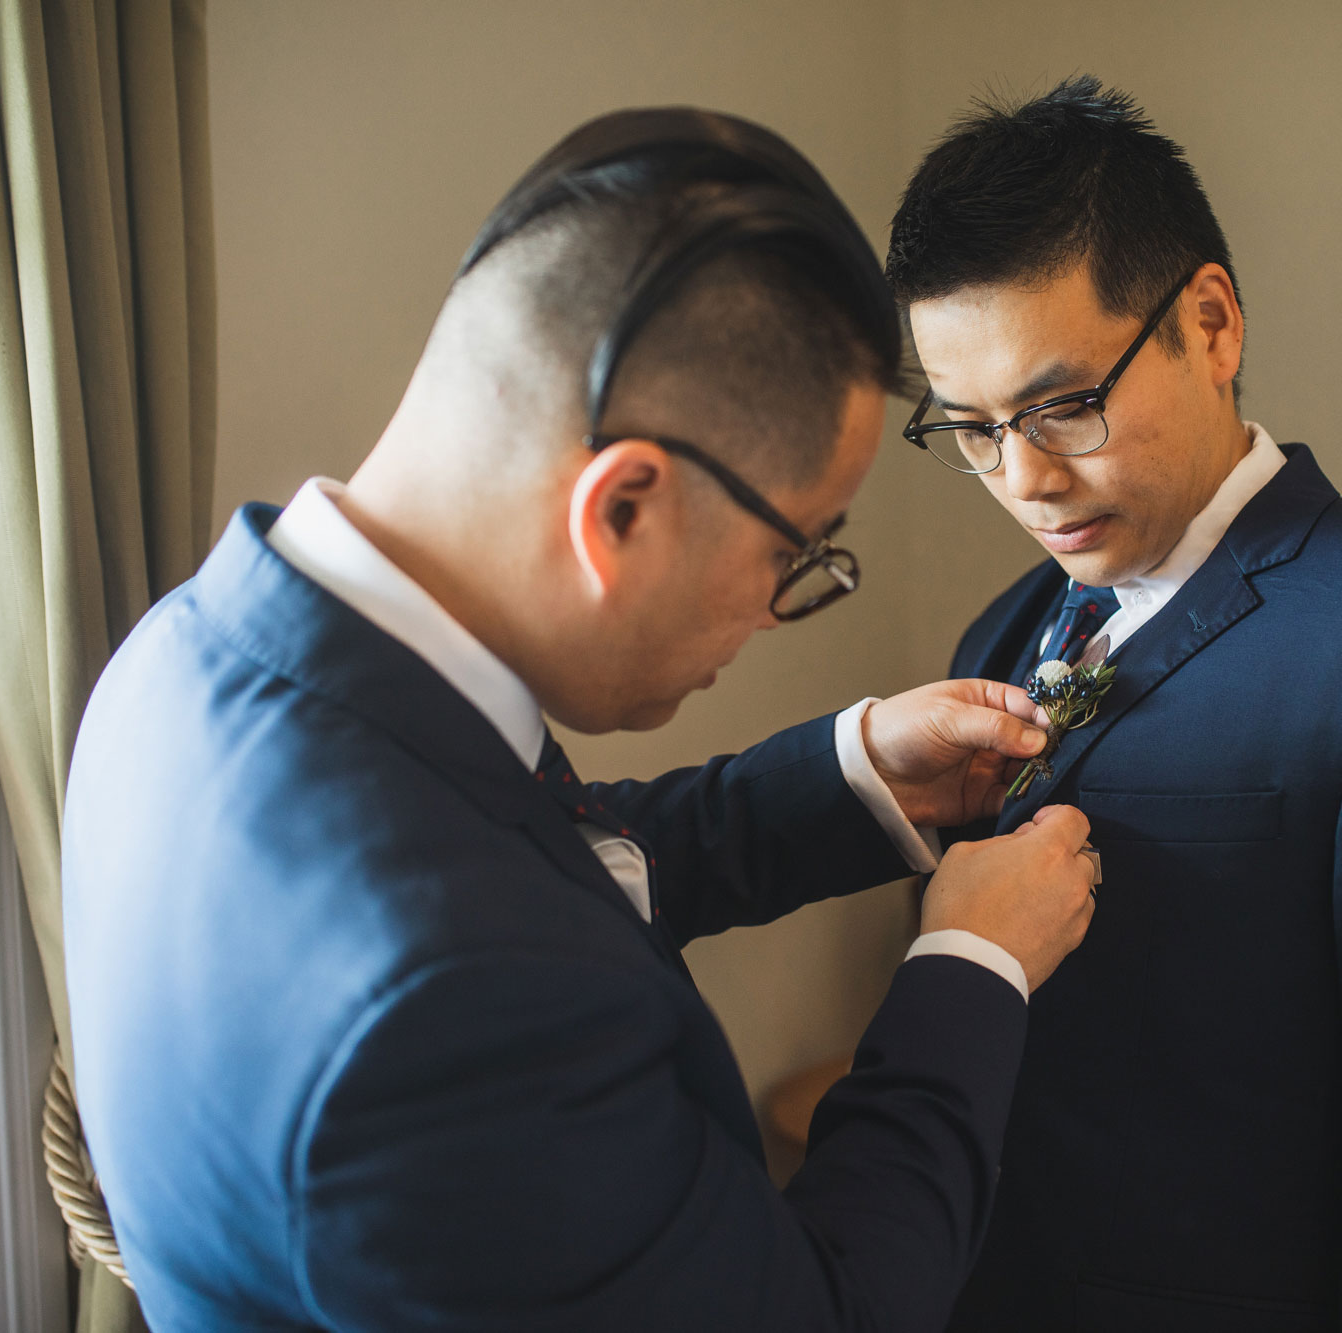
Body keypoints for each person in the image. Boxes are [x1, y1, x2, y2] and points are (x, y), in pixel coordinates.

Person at [62, 108, 1101, 1332]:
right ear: (621, 510)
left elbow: (534, 854)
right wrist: (967, 965)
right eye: (795, 554)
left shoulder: (187, 657)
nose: (781, 613)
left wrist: (855, 774)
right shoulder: (450, 1004)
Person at [883, 78, 1342, 1331]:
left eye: (1064, 405)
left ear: (1209, 323)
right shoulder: (1002, 630)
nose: (1024, 477)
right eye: (971, 427)